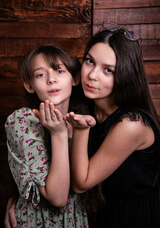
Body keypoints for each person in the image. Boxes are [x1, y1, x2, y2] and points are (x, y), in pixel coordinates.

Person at [65, 21, 160, 228]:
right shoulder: (84, 103)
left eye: (108, 70)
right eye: (90, 61)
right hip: (103, 211)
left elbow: (82, 183)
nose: (92, 75)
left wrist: (81, 130)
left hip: (134, 218)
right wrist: (18, 197)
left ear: (125, 75)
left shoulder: (131, 124)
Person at [4, 44, 89, 227]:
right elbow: (57, 198)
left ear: (74, 78)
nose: (51, 79)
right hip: (38, 220)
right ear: (29, 85)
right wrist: (59, 133)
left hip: (75, 220)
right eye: (40, 74)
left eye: (59, 71)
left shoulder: (83, 120)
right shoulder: (22, 120)